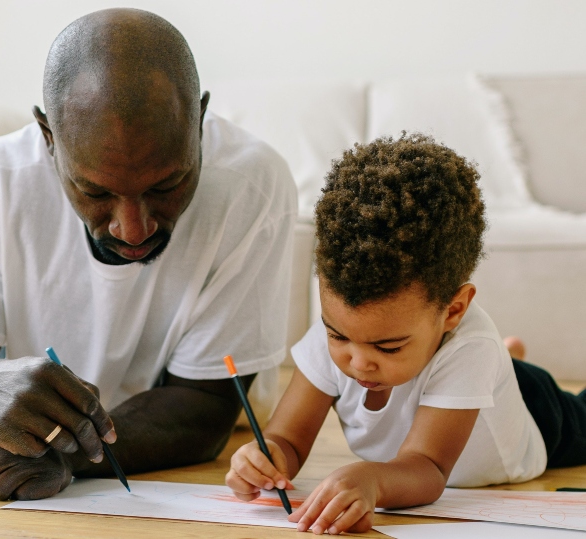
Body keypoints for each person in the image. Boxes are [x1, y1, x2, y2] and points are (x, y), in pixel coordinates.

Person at [0, 8, 297, 501]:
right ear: (48, 138)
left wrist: (57, 452)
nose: (133, 227)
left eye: (167, 184)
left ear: (200, 122)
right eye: (96, 192)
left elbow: (205, 410)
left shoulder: (252, 186)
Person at [226, 134, 586, 535]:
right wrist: (265, 455)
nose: (357, 361)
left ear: (453, 311)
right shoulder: (340, 335)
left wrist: (372, 480)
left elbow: (429, 468)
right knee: (480, 364)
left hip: (539, 416)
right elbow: (287, 439)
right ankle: (507, 362)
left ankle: (507, 367)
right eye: (338, 335)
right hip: (474, 377)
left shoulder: (470, 348)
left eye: (388, 345)